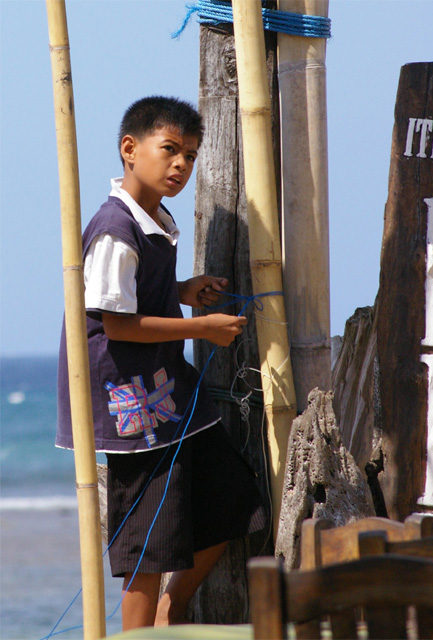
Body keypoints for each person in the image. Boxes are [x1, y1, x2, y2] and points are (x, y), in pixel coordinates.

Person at [56, 96, 267, 630]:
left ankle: (171, 611)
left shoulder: (154, 219)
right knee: (147, 548)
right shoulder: (114, 228)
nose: (182, 165)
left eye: (191, 156)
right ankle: (141, 633)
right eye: (170, 150)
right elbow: (116, 323)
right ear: (130, 149)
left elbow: (136, 298)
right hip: (131, 404)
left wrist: (182, 291)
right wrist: (201, 327)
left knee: (233, 500)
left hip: (167, 392)